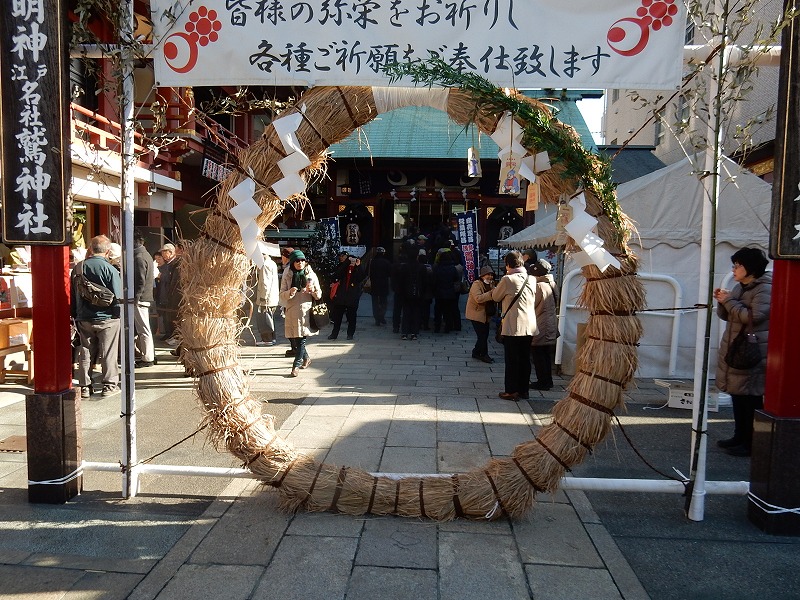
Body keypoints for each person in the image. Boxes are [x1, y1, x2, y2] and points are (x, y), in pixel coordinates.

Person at [714, 247, 771, 457]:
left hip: (753, 350)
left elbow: (753, 317)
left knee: (750, 397)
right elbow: (728, 315)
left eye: (738, 265)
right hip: (737, 347)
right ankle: (739, 436)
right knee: (737, 395)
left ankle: (751, 442)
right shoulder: (740, 287)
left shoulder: (764, 288)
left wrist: (728, 301)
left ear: (750, 268)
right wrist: (723, 302)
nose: (734, 269)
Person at [71, 235, 123, 398]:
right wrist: (118, 315)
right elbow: (118, 296)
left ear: (90, 249)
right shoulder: (110, 269)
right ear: (108, 251)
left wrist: (74, 315)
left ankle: (85, 386)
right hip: (108, 318)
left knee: (85, 351)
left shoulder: (78, 268)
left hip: (84, 317)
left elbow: (73, 295)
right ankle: (109, 386)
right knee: (108, 353)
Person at [491, 250, 537, 401]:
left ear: (508, 264)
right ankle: (524, 390)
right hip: (529, 325)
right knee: (525, 359)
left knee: (512, 359)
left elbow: (495, 296)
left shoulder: (508, 279)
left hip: (513, 325)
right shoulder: (531, 279)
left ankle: (511, 391)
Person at [279, 250, 322, 377]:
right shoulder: (287, 273)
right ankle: (306, 358)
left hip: (305, 311)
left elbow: (319, 295)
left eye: (302, 260)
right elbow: (281, 294)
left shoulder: (310, 274)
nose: (300, 263)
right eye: (297, 261)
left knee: (301, 339)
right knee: (297, 339)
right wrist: (290, 292)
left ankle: (295, 366)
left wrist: (312, 290)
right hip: (292, 311)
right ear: (292, 262)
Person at [528, 258, 559, 390]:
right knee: (545, 354)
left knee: (538, 354)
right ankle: (547, 381)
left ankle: (543, 382)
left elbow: (531, 304)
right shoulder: (552, 283)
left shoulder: (540, 286)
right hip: (549, 323)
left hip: (541, 324)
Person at [328, 252, 366, 340]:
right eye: (350, 260)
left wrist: (358, 265)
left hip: (352, 296)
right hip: (341, 296)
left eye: (354, 260)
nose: (352, 262)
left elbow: (361, 277)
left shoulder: (357, 269)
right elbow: (336, 274)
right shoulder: (343, 267)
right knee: (338, 317)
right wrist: (346, 263)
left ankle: (350, 334)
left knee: (352, 317)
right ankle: (334, 334)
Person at [132, 230, 156, 367]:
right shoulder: (145, 254)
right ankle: (148, 355)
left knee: (143, 329)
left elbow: (140, 280)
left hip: (140, 298)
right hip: (143, 297)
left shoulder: (139, 257)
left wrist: (136, 298)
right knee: (143, 328)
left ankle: (147, 357)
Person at [466, 265, 496, 363]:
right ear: (482, 275)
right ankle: (484, 355)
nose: (490, 277)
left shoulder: (491, 284)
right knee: (482, 335)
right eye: (488, 274)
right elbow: (478, 298)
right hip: (476, 313)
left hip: (486, 314)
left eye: (491, 275)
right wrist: (491, 293)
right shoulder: (476, 284)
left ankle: (476, 351)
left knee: (484, 335)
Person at [157, 242, 181, 344]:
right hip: (165, 294)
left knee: (173, 317)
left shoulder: (176, 264)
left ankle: (175, 336)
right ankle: (169, 334)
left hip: (172, 295)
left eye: (164, 252)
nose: (163, 255)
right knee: (167, 317)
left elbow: (172, 280)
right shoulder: (167, 265)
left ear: (171, 252)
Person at [368, 246, 392, 326]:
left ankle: (377, 318)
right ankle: (381, 316)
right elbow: (390, 273)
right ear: (383, 253)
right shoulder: (386, 262)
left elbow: (369, 273)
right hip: (384, 284)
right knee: (383, 302)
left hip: (374, 284)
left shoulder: (372, 262)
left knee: (375, 302)